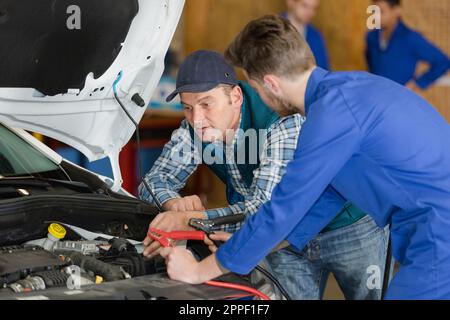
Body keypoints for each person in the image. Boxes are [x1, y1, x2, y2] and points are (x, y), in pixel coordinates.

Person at [159, 15, 450, 300]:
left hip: (438, 235)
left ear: (271, 84)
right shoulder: (349, 90)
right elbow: (325, 199)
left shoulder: (329, 116)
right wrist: (254, 245)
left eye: (256, 89)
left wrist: (198, 272)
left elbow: (282, 209)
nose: (258, 98)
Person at [139, 50, 388, 299]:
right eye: (187, 108)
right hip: (282, 239)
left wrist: (192, 219)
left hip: (348, 224)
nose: (197, 119)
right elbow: (153, 181)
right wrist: (174, 204)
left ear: (235, 97)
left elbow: (264, 209)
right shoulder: (194, 128)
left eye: (206, 104)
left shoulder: (278, 118)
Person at [366, 0, 450, 91]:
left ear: (397, 10)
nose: (375, 17)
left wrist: (417, 83)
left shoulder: (410, 38)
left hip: (400, 98)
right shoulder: (371, 37)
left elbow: (442, 62)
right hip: (376, 95)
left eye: (381, 12)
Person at [282, 0, 330, 70]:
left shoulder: (316, 36)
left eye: (314, 8)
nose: (310, 12)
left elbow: (323, 72)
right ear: (290, 2)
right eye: (305, 6)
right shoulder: (271, 30)